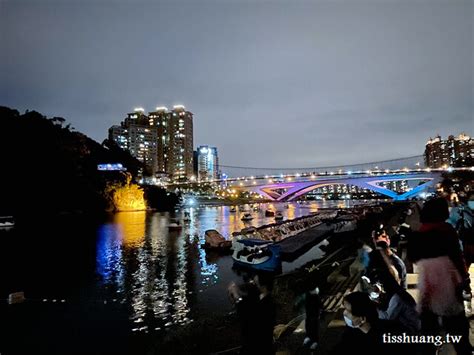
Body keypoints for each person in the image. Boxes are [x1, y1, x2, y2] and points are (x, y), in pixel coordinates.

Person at [408, 197, 472, 355]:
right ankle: (463, 349)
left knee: (429, 326)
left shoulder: (420, 231)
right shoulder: (447, 230)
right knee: (456, 324)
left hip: (428, 279)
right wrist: (465, 280)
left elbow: (413, 257)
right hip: (449, 279)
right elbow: (457, 257)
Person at [331, 291, 409, 355]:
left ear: (362, 319)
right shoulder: (352, 332)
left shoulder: (386, 339)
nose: (344, 313)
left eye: (347, 310)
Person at [371, 266, 420, 335]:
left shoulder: (397, 298)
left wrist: (372, 306)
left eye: (379, 285)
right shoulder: (396, 292)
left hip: (411, 328)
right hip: (409, 323)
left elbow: (387, 318)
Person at [302, 285, 322, 350]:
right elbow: (306, 305)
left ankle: (315, 341)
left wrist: (320, 312)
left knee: (314, 327)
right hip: (309, 314)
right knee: (307, 325)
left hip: (315, 315)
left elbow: (320, 305)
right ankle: (308, 336)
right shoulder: (308, 296)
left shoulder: (317, 296)